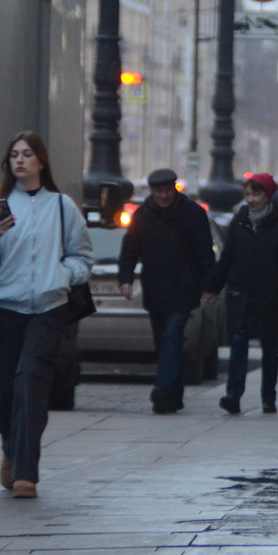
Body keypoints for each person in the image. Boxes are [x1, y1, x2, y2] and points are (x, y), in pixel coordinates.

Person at [0, 131, 93, 499]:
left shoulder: (61, 206)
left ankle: (26, 474)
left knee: (30, 385)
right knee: (4, 392)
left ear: (41, 162)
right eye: (14, 155)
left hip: (48, 311)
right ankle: (10, 449)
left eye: (27, 154)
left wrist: (63, 275)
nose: (20, 160)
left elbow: (83, 257)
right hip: (3, 311)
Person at [118, 168, 216, 414]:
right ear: (151, 192)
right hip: (155, 288)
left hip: (184, 288)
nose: (163, 196)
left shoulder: (193, 214)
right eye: (158, 191)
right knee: (164, 344)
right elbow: (130, 250)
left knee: (172, 338)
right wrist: (125, 278)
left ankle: (161, 388)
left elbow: (205, 253)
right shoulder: (143, 216)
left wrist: (210, 286)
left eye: (167, 191)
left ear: (174, 189)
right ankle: (173, 397)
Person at [207, 173, 278, 415]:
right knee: (239, 343)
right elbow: (227, 256)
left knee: (270, 347)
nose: (251, 199)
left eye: (256, 194)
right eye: (248, 194)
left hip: (270, 296)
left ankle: (268, 397)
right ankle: (233, 395)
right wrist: (213, 286)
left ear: (268, 195)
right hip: (241, 293)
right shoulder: (240, 220)